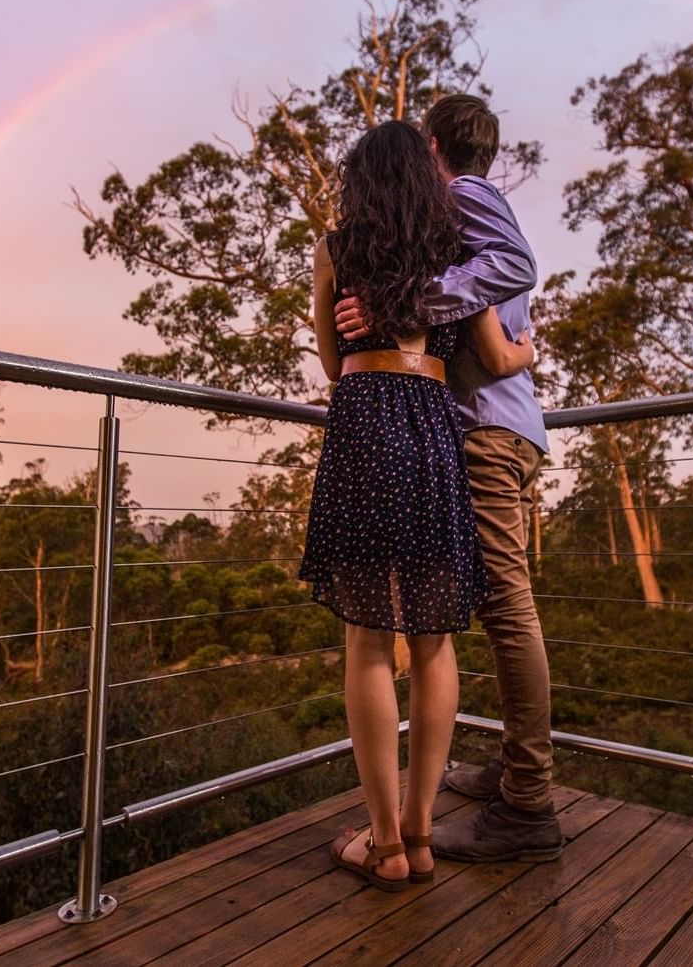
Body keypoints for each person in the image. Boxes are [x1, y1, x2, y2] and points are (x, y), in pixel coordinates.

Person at [301, 119, 533, 891]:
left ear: (358, 181)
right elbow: (489, 350)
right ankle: (421, 833)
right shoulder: (451, 254)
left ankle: (381, 844)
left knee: (368, 642)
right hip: (433, 427)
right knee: (433, 641)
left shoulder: (336, 249)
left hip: (366, 422)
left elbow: (333, 364)